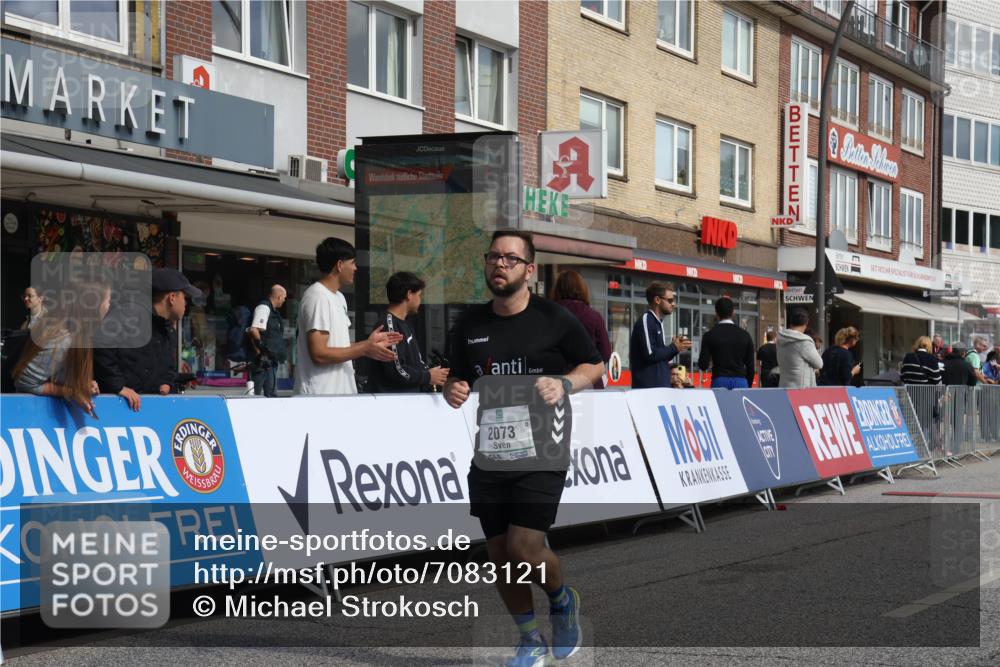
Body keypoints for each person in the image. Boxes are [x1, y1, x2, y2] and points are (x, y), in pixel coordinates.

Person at [444, 230, 604, 667]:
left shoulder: (554, 319)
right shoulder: (471, 324)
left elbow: (595, 364)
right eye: (493, 256)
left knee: (524, 547)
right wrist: (453, 390)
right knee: (499, 554)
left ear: (529, 270)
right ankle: (530, 639)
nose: (499, 264)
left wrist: (566, 382)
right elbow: (459, 377)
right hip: (491, 453)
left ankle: (561, 598)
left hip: (543, 450)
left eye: (510, 259)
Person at [293, 238, 402, 395]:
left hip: (341, 395)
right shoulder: (317, 297)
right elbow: (319, 354)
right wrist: (365, 348)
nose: (355, 268)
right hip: (320, 397)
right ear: (339, 265)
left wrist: (369, 345)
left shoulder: (339, 297)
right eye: (352, 263)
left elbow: (338, 345)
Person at [94, 268, 200, 411]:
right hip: (116, 410)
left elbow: (165, 367)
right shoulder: (130, 313)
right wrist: (117, 386)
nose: (186, 304)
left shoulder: (167, 328)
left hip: (146, 413)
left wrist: (167, 383)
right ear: (172, 298)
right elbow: (101, 342)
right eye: (185, 298)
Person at [14, 281, 109, 415]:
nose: (109, 306)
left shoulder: (77, 334)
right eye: (108, 301)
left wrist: (81, 384)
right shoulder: (63, 340)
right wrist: (71, 392)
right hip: (31, 415)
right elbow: (24, 382)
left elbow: (54, 370)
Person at [367, 271, 449, 393]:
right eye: (419, 295)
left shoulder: (405, 324)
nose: (420, 300)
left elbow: (417, 363)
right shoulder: (388, 324)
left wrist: (435, 374)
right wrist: (428, 376)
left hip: (409, 401)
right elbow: (397, 369)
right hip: (392, 405)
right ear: (409, 294)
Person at [550, 270, 611, 389]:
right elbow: (605, 353)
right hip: (589, 382)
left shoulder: (549, 315)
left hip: (556, 384)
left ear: (557, 290)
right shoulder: (594, 317)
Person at [629, 281, 690, 388]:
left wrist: (676, 348)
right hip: (648, 390)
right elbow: (650, 354)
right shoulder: (647, 320)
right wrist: (673, 348)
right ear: (657, 300)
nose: (674, 304)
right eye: (670, 300)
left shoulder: (657, 322)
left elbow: (659, 358)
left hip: (658, 388)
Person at [697, 296, 755, 389]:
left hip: (719, 381)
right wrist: (748, 384)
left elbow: (703, 365)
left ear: (716, 313)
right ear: (733, 312)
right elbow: (751, 366)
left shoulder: (709, 335)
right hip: (740, 381)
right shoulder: (745, 335)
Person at [248, 285, 289, 397]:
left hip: (271, 360)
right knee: (256, 394)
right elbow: (254, 330)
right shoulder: (264, 308)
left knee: (271, 395)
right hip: (263, 363)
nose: (284, 301)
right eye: (284, 298)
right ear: (279, 297)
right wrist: (260, 351)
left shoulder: (274, 312)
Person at [776, 308, 824, 389]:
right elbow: (819, 363)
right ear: (806, 322)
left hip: (784, 386)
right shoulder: (804, 342)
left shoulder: (781, 338)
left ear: (790, 322)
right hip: (801, 389)